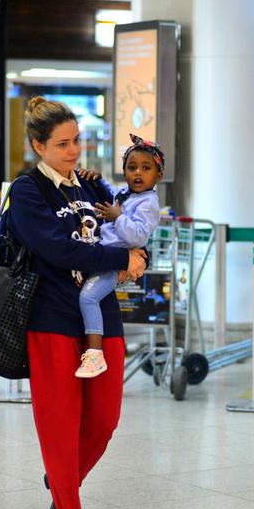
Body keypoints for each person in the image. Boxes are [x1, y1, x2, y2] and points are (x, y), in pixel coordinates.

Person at [6, 96, 147, 509]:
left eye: (77, 141)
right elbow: (57, 249)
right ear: (38, 146)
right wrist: (119, 260)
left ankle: (63, 482)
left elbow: (126, 229)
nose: (73, 151)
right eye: (63, 144)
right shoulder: (26, 191)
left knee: (103, 421)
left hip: (102, 319)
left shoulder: (89, 186)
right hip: (50, 318)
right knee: (60, 428)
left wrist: (139, 257)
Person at [75, 134, 163, 378]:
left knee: (88, 298)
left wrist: (117, 217)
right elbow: (114, 195)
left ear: (159, 176)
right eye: (131, 167)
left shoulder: (148, 203)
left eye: (146, 168)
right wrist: (100, 181)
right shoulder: (129, 194)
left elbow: (138, 236)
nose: (138, 173)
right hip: (105, 255)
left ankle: (95, 353)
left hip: (116, 262)